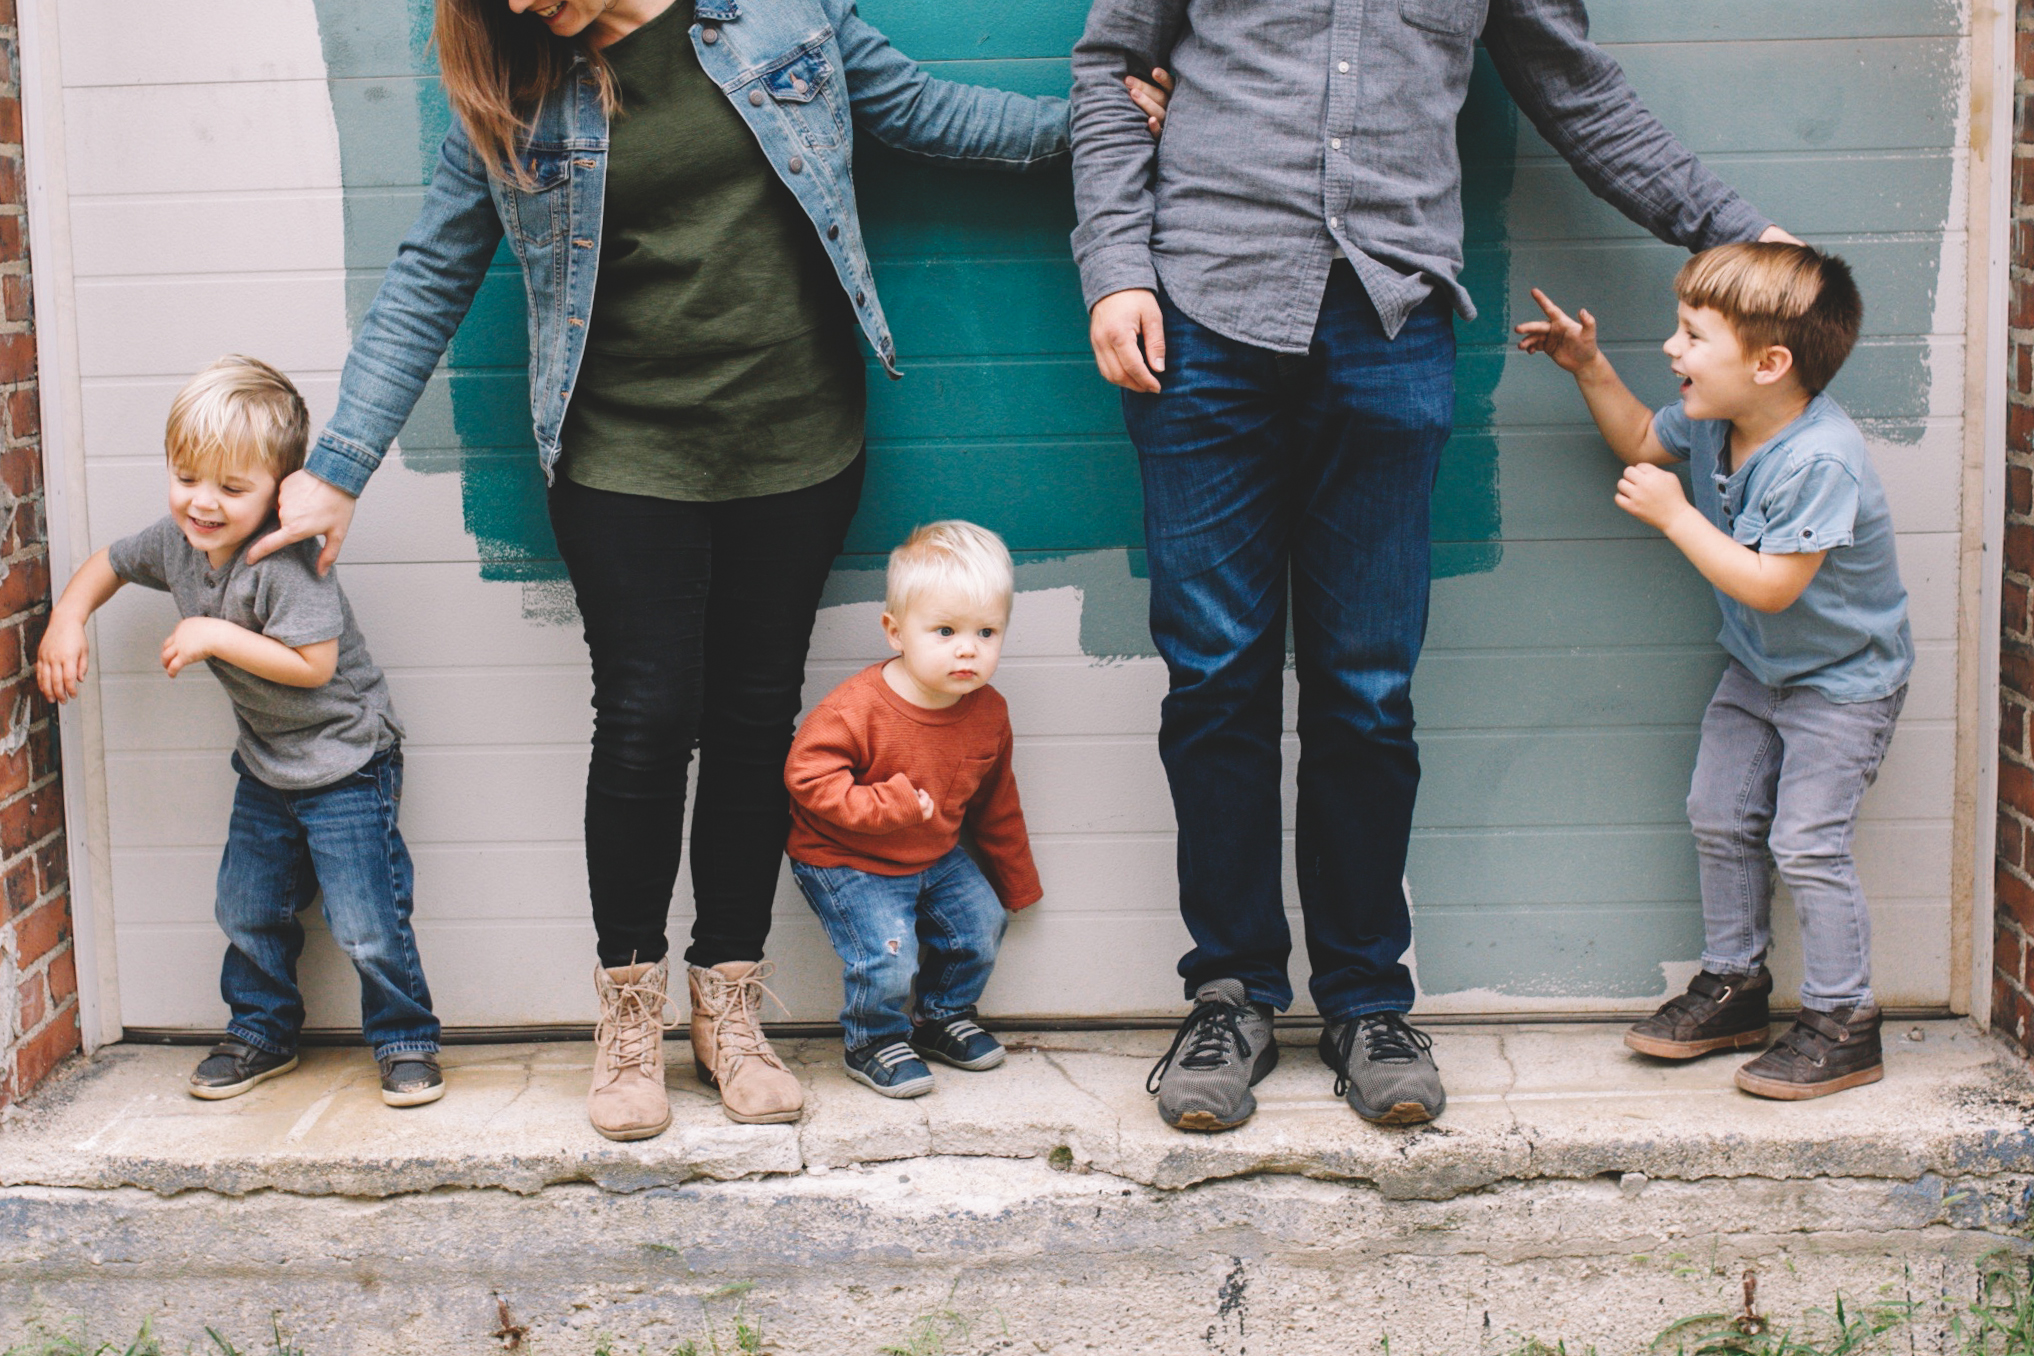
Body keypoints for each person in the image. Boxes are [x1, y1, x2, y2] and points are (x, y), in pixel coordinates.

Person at [239, 0, 1164, 1141]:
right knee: (643, 719)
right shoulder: (517, 91)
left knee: (749, 722)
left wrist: (1104, 125)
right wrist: (338, 465)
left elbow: (928, 113)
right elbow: (428, 275)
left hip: (797, 442)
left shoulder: (782, 16)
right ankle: (628, 1016)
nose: (526, 7)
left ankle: (729, 1003)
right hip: (621, 454)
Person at [1069, 0, 1798, 1132]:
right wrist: (1116, 266)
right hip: (1200, 319)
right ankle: (1231, 995)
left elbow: (1578, 91)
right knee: (1215, 675)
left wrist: (1744, 238)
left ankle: (1367, 1003)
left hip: (1391, 323)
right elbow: (1111, 73)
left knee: (1368, 689)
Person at [1518, 244, 1908, 1099]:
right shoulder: (1712, 419)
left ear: (1770, 365)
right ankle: (1735, 988)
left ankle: (1846, 1021)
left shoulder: (1819, 459)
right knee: (1717, 814)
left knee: (1805, 843)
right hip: (1756, 670)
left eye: (1693, 336)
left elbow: (1771, 587)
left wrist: (1677, 517)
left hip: (1843, 681)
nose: (1672, 349)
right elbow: (1634, 433)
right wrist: (1587, 367)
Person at [36, 357, 442, 1108]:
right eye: (188, 477)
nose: (203, 503)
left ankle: (405, 1039)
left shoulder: (286, 561)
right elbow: (110, 563)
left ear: (279, 491)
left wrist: (211, 633)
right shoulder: (175, 542)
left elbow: (314, 666)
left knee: (367, 921)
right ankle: (261, 1031)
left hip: (348, 761)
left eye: (231, 487)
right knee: (247, 907)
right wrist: (67, 618)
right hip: (267, 766)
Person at [785, 522, 1039, 1098]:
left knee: (980, 925)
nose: (968, 648)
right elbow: (807, 777)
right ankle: (872, 1039)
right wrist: (891, 804)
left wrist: (1016, 880)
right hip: (847, 859)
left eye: (987, 631)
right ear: (895, 632)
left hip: (933, 853)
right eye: (945, 630)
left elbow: (997, 801)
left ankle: (940, 1017)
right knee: (887, 956)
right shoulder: (859, 707)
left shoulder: (988, 711)